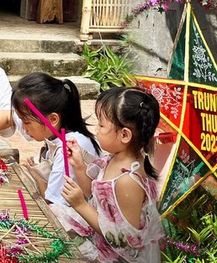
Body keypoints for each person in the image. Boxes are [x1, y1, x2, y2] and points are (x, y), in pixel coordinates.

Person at [51, 87, 164, 262]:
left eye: (102, 125)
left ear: (124, 135)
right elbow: (95, 195)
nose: (96, 129)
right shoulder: (114, 158)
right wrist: (79, 166)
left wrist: (80, 205)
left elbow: (125, 240)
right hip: (103, 242)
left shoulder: (128, 181)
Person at [0, 72, 102, 205]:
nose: (24, 128)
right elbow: (6, 116)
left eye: (26, 122)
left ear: (53, 119)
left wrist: (38, 177)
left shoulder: (68, 150)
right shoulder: (54, 129)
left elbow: (52, 205)